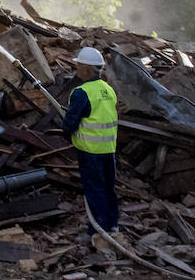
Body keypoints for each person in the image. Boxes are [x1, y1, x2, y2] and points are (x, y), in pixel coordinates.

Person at [61, 46, 119, 244]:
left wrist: (67, 132)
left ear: (86, 68)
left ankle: (96, 232)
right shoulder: (108, 90)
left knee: (95, 190)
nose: (76, 68)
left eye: (78, 65)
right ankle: (113, 224)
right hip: (109, 149)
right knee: (109, 188)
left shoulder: (81, 92)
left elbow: (70, 123)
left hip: (90, 151)